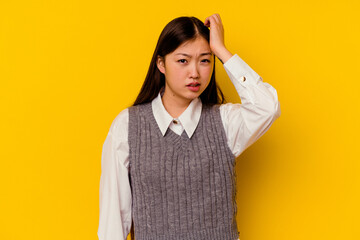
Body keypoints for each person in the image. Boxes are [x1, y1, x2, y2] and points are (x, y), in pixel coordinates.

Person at [97, 13, 281, 240]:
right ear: (161, 64)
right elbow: (113, 224)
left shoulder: (224, 123)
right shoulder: (127, 127)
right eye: (183, 61)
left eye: (205, 60)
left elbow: (268, 107)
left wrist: (221, 50)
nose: (195, 73)